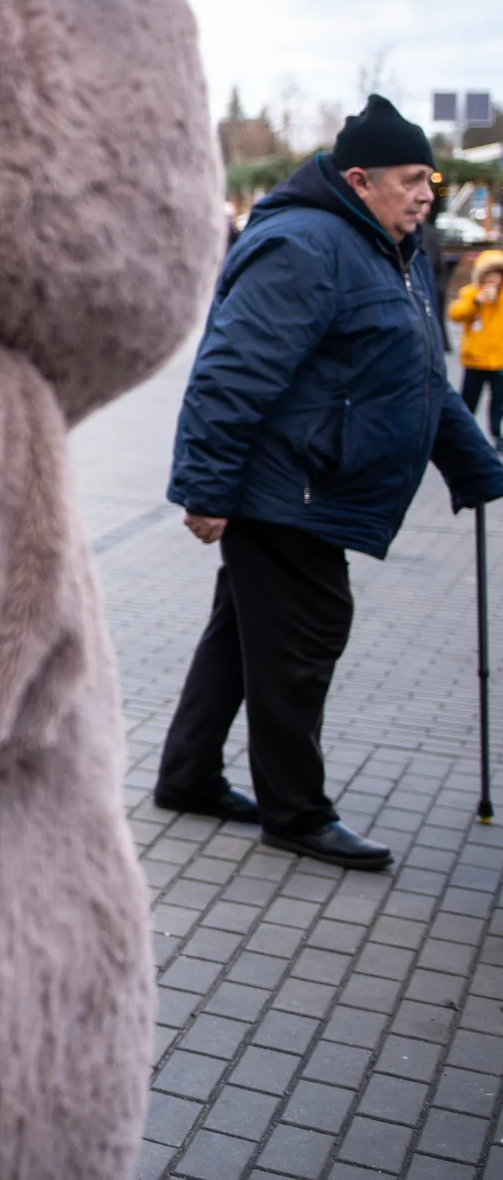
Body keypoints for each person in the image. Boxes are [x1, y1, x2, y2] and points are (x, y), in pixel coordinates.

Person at [160, 95, 503, 870]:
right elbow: (231, 376)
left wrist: (476, 466)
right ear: (360, 178)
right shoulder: (304, 247)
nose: (428, 193)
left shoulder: (389, 248)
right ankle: (297, 812)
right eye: (413, 178)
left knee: (239, 638)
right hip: (291, 490)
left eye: (432, 178)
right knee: (300, 644)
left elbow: (419, 374)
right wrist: (207, 490)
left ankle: (187, 776)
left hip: (304, 484)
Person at [453, 249, 503, 439]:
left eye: (497, 274)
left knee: (498, 402)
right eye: (488, 274)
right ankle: (462, 433)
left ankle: (498, 434)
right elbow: (455, 314)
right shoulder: (470, 293)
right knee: (468, 401)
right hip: (475, 359)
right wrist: (476, 302)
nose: (493, 279)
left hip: (499, 359)